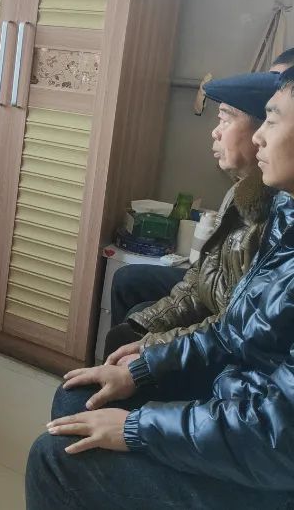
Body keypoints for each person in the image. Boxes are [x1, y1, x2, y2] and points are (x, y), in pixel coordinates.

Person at [25, 69, 294, 510]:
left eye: (273, 120)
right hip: (235, 404)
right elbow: (230, 328)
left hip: (266, 472)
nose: (261, 136)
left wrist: (136, 428)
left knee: (53, 458)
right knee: (80, 397)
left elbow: (276, 434)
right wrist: (144, 367)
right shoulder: (286, 218)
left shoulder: (273, 214)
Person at [104, 50, 294, 337]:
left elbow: (238, 328)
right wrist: (148, 325)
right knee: (130, 294)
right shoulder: (241, 190)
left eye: (226, 120)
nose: (215, 133)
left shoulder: (276, 213)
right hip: (216, 303)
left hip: (225, 329)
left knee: (130, 331)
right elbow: (205, 272)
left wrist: (151, 349)